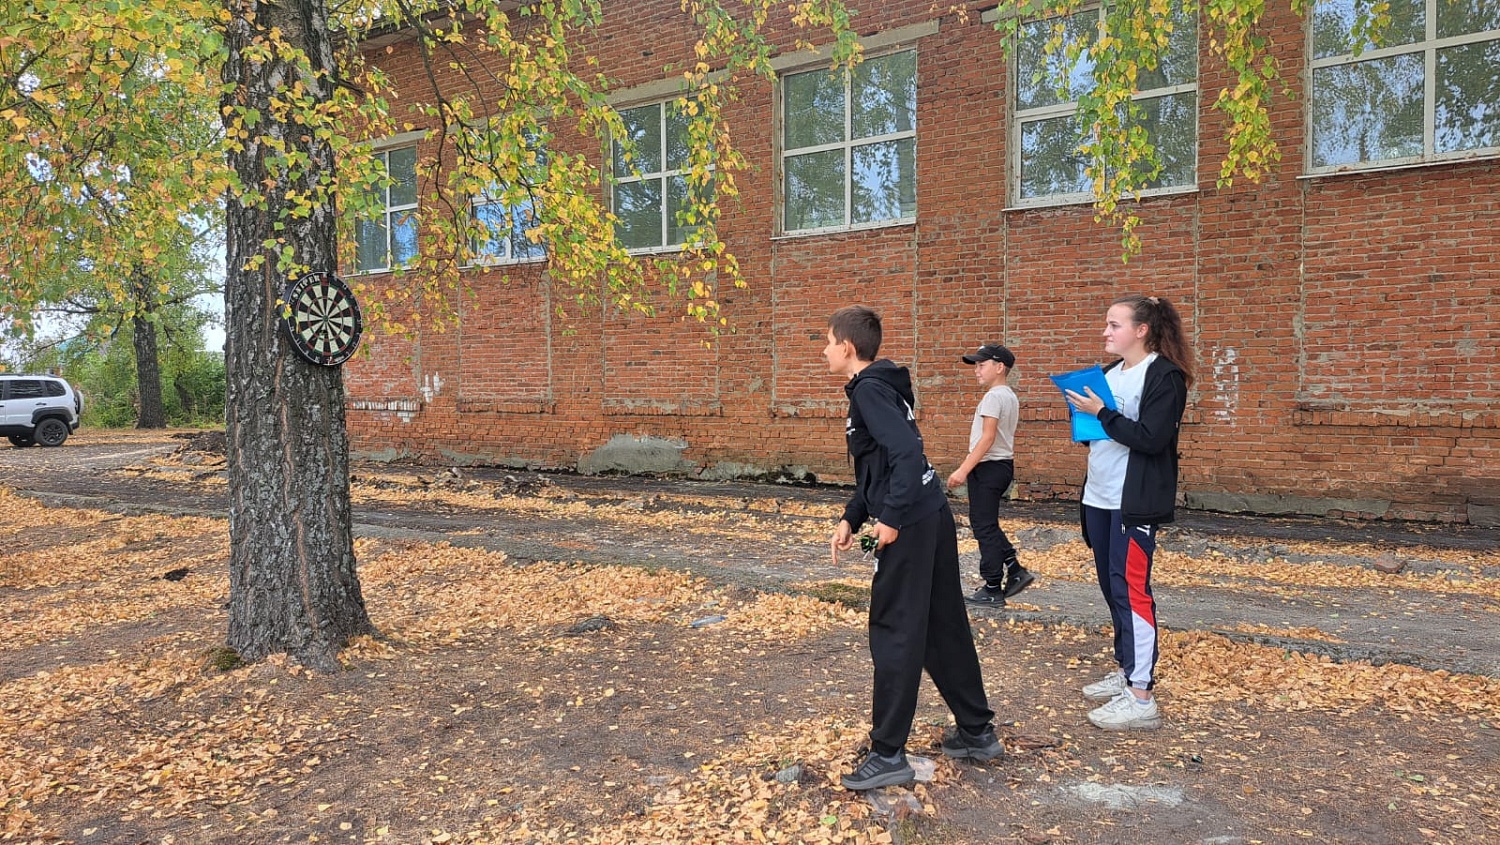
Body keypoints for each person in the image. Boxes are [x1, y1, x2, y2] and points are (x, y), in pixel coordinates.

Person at [824, 305, 1005, 790]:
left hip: (912, 522)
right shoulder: (878, 388)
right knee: (942, 625)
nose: (823, 349)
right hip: (929, 515)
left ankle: (888, 755)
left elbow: (905, 453)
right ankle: (976, 732)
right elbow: (880, 467)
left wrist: (891, 518)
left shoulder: (869, 390)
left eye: (827, 341)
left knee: (896, 629)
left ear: (847, 347)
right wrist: (853, 515)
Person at [1063, 294, 1192, 731]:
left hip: (1133, 501)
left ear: (1141, 330)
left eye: (1114, 325)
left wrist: (1102, 412)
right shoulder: (1108, 373)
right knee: (1110, 585)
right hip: (1098, 498)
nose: (1106, 332)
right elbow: (1101, 434)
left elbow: (1153, 439)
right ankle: (1126, 669)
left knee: (1132, 590)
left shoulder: (1165, 377)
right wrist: (1085, 421)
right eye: (1106, 324)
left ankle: (1141, 697)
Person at [947, 343, 1034, 606]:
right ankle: (1015, 569)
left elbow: (987, 438)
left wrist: (963, 469)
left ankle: (993, 587)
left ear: (1000, 367)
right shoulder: (1009, 395)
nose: (977, 370)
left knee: (983, 527)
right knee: (987, 524)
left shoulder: (994, 397)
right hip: (1001, 466)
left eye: (982, 365)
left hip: (988, 467)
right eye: (976, 365)